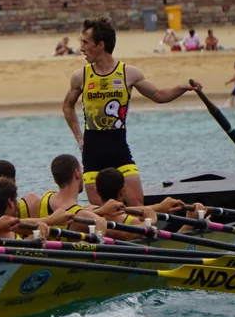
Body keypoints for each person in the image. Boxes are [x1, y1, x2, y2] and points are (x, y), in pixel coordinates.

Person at [63, 17, 202, 206]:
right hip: (92, 153)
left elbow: (159, 96)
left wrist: (183, 87)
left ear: (100, 45)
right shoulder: (81, 76)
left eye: (85, 43)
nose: (81, 48)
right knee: (100, 211)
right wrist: (79, 137)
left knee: (136, 204)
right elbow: (67, 106)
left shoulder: (128, 73)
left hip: (119, 149)